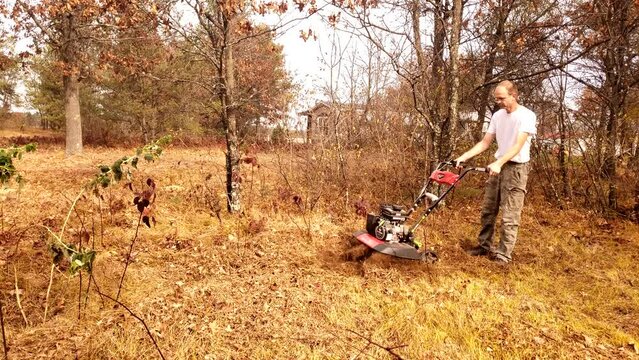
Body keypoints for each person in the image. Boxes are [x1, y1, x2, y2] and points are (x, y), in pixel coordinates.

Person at [454, 80, 537, 265]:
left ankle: (503, 254)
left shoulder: (527, 116)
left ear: (513, 96)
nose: (498, 102)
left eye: (501, 98)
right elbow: (485, 142)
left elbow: (518, 145)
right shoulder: (498, 116)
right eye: (496, 99)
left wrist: (499, 163)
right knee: (488, 210)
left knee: (510, 215)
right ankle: (484, 246)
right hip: (498, 167)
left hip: (516, 169)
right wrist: (464, 156)